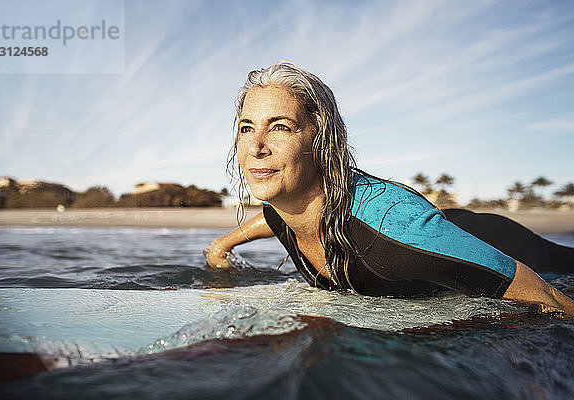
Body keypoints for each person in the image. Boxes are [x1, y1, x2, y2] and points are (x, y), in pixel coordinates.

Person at [204, 62, 574, 315]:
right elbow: (273, 217)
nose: (256, 147)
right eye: (246, 127)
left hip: (506, 248)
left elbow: (545, 296)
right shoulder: (285, 204)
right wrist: (225, 243)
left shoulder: (390, 233)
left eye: (280, 126)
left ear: (320, 141)